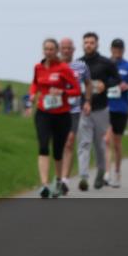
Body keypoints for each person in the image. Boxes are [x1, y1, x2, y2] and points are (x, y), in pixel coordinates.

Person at [28, 38, 82, 198]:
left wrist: (63, 92)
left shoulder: (63, 68)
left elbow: (77, 90)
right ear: (43, 50)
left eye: (52, 49)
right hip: (43, 112)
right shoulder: (38, 67)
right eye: (46, 49)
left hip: (62, 115)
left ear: (57, 51)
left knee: (58, 151)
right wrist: (32, 94)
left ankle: (58, 181)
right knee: (43, 146)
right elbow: (35, 84)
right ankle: (44, 185)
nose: (49, 52)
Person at [76, 32, 121, 191]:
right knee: (84, 142)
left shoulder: (105, 63)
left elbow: (117, 79)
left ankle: (101, 171)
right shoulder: (78, 63)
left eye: (91, 42)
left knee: (100, 144)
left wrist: (105, 85)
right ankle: (83, 177)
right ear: (83, 44)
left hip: (101, 109)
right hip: (85, 109)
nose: (88, 45)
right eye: (86, 42)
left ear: (97, 44)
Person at [104, 38, 128, 188]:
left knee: (117, 143)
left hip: (121, 108)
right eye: (115, 48)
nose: (117, 51)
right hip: (106, 107)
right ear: (111, 49)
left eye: (120, 48)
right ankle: (107, 173)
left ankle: (117, 172)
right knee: (107, 141)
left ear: (123, 50)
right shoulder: (105, 64)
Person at [59, 37, 91, 195]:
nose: (66, 50)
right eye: (63, 48)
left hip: (74, 109)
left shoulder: (81, 65)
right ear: (60, 49)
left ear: (73, 50)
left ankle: (64, 180)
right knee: (60, 144)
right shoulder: (53, 65)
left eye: (69, 48)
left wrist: (88, 101)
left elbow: (88, 83)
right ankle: (59, 176)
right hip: (57, 109)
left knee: (70, 142)